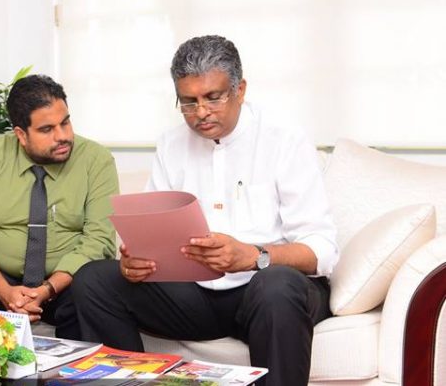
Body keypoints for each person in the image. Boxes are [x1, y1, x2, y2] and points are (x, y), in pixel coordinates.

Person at [74, 35, 339, 386]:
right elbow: (150, 230)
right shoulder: (171, 143)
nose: (200, 113)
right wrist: (134, 261)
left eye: (213, 97)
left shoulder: (284, 139)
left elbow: (322, 250)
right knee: (94, 279)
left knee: (276, 285)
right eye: (188, 102)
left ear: (240, 90)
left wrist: (254, 256)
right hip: (196, 296)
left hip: (267, 291)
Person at [0, 75, 119, 339]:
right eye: (47, 129)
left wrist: (47, 288)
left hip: (65, 283)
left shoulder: (96, 160)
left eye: (65, 123)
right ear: (21, 134)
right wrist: (4, 291)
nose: (63, 136)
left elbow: (99, 238)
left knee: (95, 293)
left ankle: (72, 365)